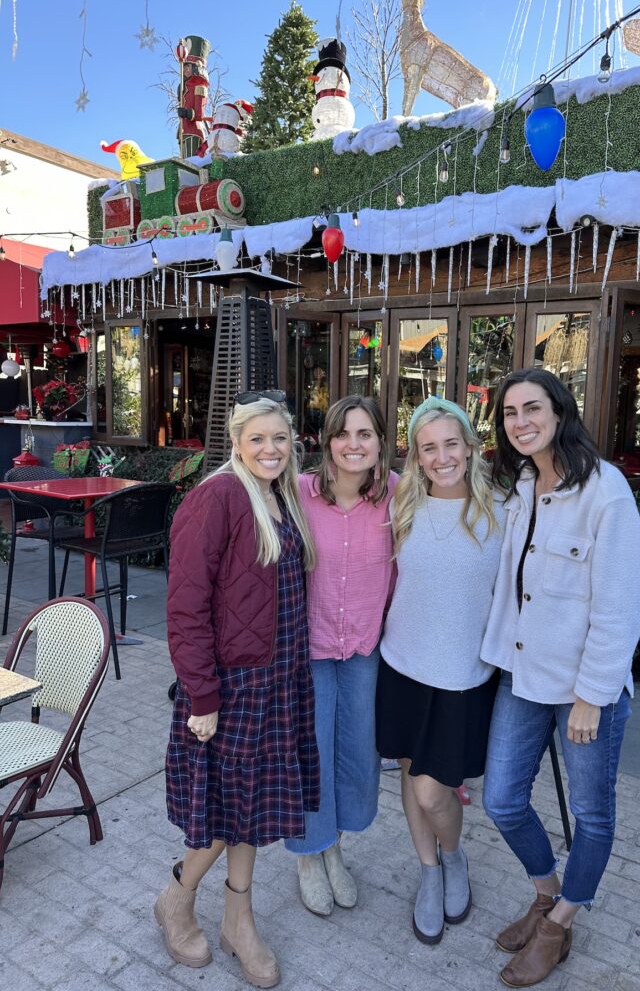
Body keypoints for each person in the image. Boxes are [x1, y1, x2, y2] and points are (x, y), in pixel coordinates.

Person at [480, 368, 640, 988]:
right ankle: (547, 893)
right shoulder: (519, 483)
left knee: (593, 816)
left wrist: (593, 696)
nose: (520, 422)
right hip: (523, 675)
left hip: (583, 690)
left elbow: (620, 604)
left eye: (532, 408)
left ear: (560, 411)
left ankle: (560, 925)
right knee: (501, 798)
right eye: (509, 412)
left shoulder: (605, 491)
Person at [155, 391, 319, 989]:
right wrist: (201, 695)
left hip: (279, 678)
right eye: (258, 439)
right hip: (231, 685)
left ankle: (238, 919)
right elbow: (185, 606)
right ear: (237, 442)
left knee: (253, 810)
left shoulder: (284, 495)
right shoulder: (217, 497)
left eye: (281, 439)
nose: (271, 449)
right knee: (225, 812)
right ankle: (176, 897)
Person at [376, 397, 504, 945]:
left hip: (463, 675)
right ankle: (429, 871)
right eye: (429, 447)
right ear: (416, 455)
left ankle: (454, 857)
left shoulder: (503, 508)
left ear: (471, 447)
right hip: (402, 665)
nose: (442, 456)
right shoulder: (402, 503)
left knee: (434, 791)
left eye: (452, 443)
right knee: (410, 772)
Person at [285, 395, 398, 915]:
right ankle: (310, 854)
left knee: (356, 751)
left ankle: (336, 848)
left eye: (365, 434)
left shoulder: (397, 495)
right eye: (343, 434)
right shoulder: (299, 493)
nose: (354, 445)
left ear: (380, 441)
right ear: (327, 441)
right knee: (312, 752)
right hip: (309, 647)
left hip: (364, 649)